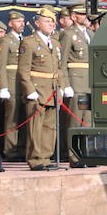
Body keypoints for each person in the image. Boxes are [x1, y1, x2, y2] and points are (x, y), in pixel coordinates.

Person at [18, 9, 65, 171]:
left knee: (49, 127)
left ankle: (46, 156)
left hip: (52, 89)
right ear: (37, 23)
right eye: (47, 21)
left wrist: (63, 87)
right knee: (35, 126)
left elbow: (60, 68)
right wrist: (29, 89)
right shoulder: (29, 42)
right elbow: (23, 70)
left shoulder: (56, 43)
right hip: (37, 90)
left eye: (52, 21)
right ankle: (35, 158)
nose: (51, 24)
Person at [60, 4, 93, 166]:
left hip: (89, 82)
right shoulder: (68, 34)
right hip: (76, 81)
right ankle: (74, 156)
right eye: (80, 14)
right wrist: (65, 84)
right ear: (73, 16)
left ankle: (87, 154)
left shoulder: (90, 33)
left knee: (87, 121)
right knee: (75, 120)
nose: (84, 16)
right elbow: (62, 61)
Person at [0, 11, 28, 161]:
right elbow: (0, 65)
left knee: (22, 118)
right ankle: (11, 150)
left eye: (23, 21)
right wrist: (3, 87)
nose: (22, 24)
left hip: (23, 83)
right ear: (10, 24)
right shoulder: (5, 40)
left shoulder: (25, 40)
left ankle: (21, 148)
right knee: (12, 118)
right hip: (11, 83)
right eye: (18, 21)